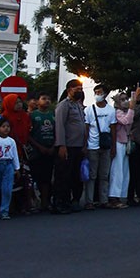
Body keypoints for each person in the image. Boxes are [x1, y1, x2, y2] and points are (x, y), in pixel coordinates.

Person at [53, 79, 86, 214]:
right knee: (63, 176)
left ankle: (71, 201)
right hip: (67, 146)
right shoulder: (64, 105)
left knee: (74, 176)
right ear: (69, 90)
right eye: (76, 89)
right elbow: (60, 126)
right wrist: (61, 145)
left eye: (81, 88)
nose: (79, 91)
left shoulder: (77, 105)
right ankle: (59, 203)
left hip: (78, 146)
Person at [83, 84, 117, 210]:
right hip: (92, 145)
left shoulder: (111, 110)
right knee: (92, 175)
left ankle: (104, 199)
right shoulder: (89, 110)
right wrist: (85, 145)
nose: (98, 95)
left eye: (100, 92)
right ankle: (89, 201)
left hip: (106, 145)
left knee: (104, 174)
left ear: (105, 94)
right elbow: (86, 128)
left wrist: (113, 147)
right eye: (96, 92)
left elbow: (113, 129)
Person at [108, 88, 139, 209]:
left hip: (125, 142)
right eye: (122, 99)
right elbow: (126, 121)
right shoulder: (117, 112)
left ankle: (121, 195)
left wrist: (134, 100)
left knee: (125, 171)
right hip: (118, 142)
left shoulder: (126, 111)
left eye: (126, 99)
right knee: (117, 171)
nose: (125, 101)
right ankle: (113, 197)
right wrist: (131, 107)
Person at [28, 94, 56, 212]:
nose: (47, 101)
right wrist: (39, 147)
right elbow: (29, 134)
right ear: (37, 102)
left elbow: (57, 131)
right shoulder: (32, 116)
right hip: (37, 150)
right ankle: (33, 201)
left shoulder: (53, 115)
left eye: (49, 99)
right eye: (44, 99)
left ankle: (46, 201)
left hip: (50, 150)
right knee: (35, 176)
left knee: (47, 177)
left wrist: (54, 146)